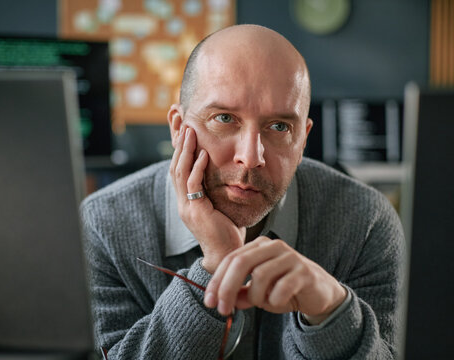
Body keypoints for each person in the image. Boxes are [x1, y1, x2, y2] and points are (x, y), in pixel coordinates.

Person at [81, 24, 404, 359]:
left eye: (280, 127)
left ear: (304, 139)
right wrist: (215, 267)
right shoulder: (101, 227)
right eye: (224, 118)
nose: (251, 157)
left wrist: (331, 314)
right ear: (179, 128)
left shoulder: (366, 223)